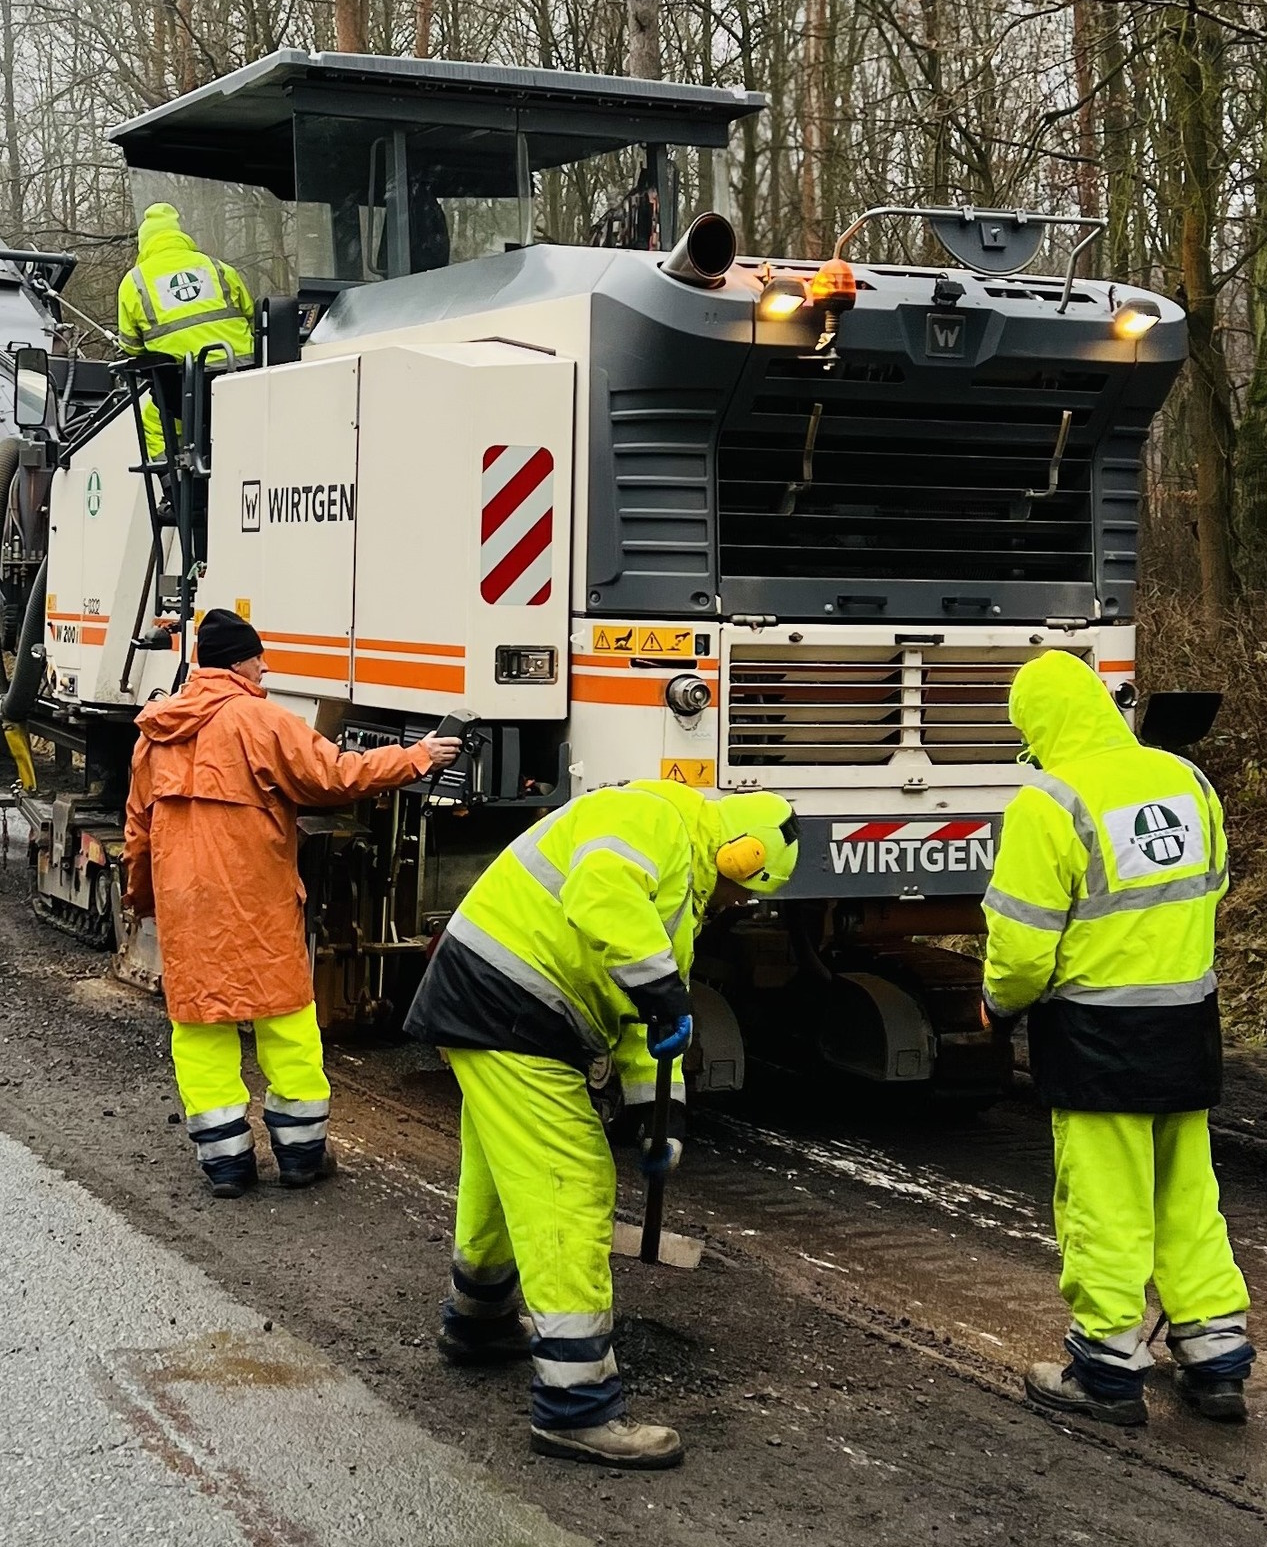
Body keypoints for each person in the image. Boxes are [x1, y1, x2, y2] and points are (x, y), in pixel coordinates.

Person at [405, 779, 799, 1470]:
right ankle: (575, 1404)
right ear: (739, 855)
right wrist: (662, 989)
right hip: (509, 1003)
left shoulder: (679, 888)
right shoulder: (653, 819)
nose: (738, 905)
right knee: (571, 1182)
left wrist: (662, 1111)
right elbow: (601, 896)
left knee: (504, 1174)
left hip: (496, 996)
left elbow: (650, 1023)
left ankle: (479, 1319)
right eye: (745, 891)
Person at [982, 649, 1251, 1427]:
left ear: (1037, 723)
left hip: (1097, 1038)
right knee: (1189, 1196)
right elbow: (1214, 886)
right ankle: (1216, 1356)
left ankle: (1104, 1369)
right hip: (1188, 1027)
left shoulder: (1050, 802)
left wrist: (998, 1006)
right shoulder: (1186, 780)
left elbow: (1024, 946)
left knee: (1105, 1203)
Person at [124, 609, 460, 1195]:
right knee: (285, 1020)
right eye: (259, 657)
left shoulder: (155, 733)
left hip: (188, 906)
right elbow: (336, 777)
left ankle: (226, 1165)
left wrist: (145, 900)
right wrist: (419, 757)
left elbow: (138, 831)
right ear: (238, 661)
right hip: (257, 902)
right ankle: (301, 1156)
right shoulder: (261, 720)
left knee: (201, 1026)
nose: (266, 666)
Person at [115, 203, 255, 458]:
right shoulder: (218, 268)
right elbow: (250, 315)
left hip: (189, 388)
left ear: (144, 242)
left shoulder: (134, 282)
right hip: (245, 377)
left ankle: (176, 489)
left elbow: (131, 345)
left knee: (154, 421)